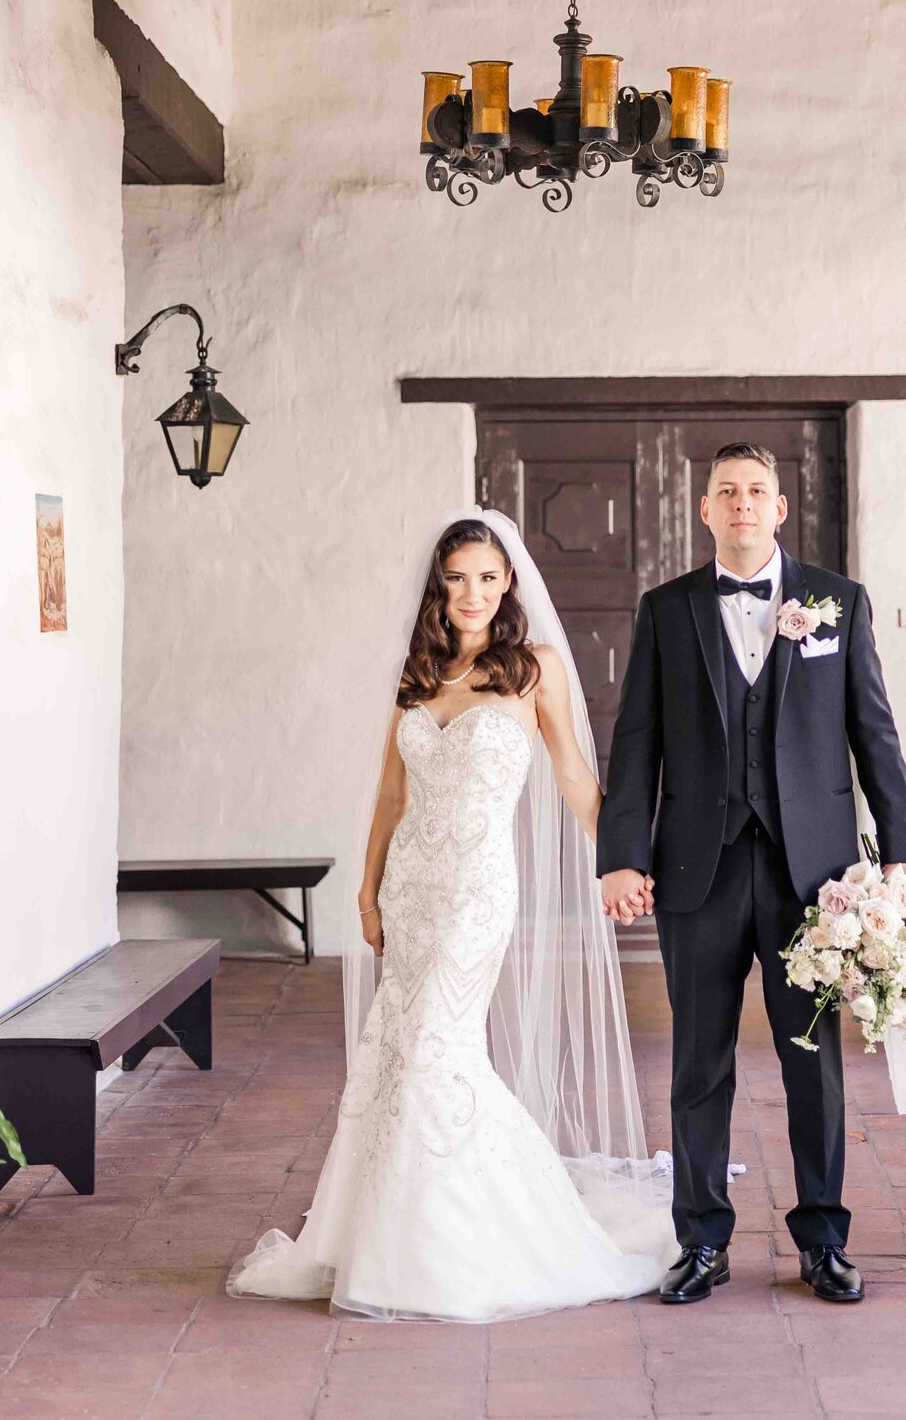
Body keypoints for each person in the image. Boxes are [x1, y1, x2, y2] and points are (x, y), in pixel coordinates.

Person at [229, 512, 674, 1321]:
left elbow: (574, 774)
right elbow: (392, 794)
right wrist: (366, 894)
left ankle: (463, 1246)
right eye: (458, 577)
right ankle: (382, 1239)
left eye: (488, 577)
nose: (472, 592)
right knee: (395, 1057)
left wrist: (620, 861)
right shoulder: (417, 673)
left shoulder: (533, 670)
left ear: (508, 586)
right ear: (440, 587)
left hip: (475, 894)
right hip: (410, 890)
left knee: (439, 1047)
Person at [597, 443, 906, 1306]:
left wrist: (905, 854)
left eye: (757, 492)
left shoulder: (836, 602)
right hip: (695, 873)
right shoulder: (666, 610)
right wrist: (622, 854)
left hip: (812, 878)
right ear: (705, 510)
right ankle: (700, 1241)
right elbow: (636, 743)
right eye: (726, 491)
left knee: (811, 1063)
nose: (742, 503)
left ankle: (822, 1241)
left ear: (781, 509)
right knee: (699, 1063)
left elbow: (873, 734)